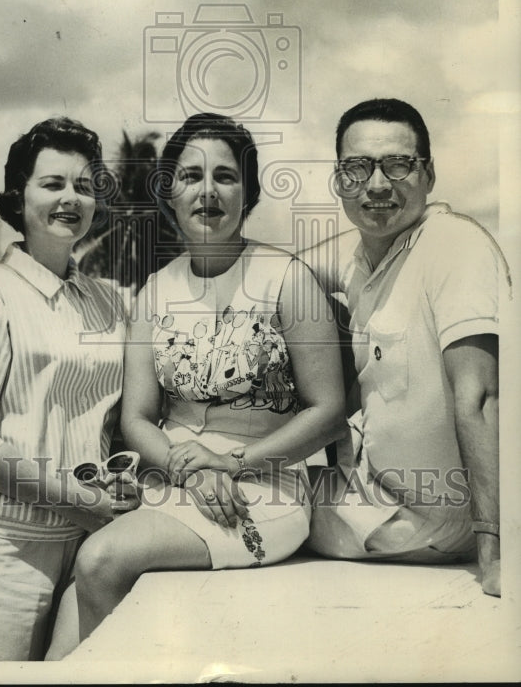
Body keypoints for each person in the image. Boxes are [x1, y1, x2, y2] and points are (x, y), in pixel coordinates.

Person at [71, 112, 347, 644]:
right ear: (170, 192)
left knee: (101, 561)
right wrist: (191, 470)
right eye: (191, 177)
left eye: (225, 176)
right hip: (177, 480)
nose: (208, 191)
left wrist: (229, 462)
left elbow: (329, 412)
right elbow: (137, 417)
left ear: (249, 193)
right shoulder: (154, 290)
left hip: (261, 485)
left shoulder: (288, 279)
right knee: (66, 634)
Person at [0, 116, 140, 662]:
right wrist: (78, 502)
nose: (71, 198)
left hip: (91, 549)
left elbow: (121, 421)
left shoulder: (112, 303)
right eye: (53, 184)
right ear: (17, 198)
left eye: (84, 187)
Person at [303, 97, 508, 598]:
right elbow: (287, 267)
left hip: (435, 521)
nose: (376, 185)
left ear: (429, 175)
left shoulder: (452, 245)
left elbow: (481, 398)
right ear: (338, 180)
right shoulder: (361, 264)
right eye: (357, 168)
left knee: (258, 505)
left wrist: (497, 553)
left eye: (397, 164)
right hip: (382, 494)